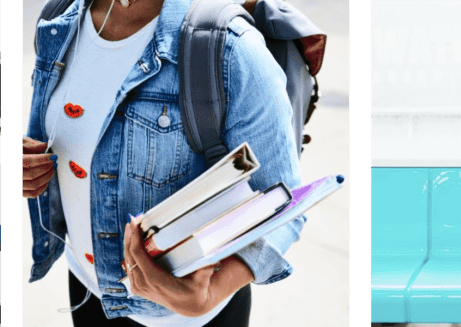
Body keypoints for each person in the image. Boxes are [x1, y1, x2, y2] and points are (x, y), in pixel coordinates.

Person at [22, 0, 303, 325]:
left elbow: (282, 201)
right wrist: (31, 169)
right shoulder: (59, 20)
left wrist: (210, 294)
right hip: (88, 293)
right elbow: (62, 138)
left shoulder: (230, 48)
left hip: (189, 320)